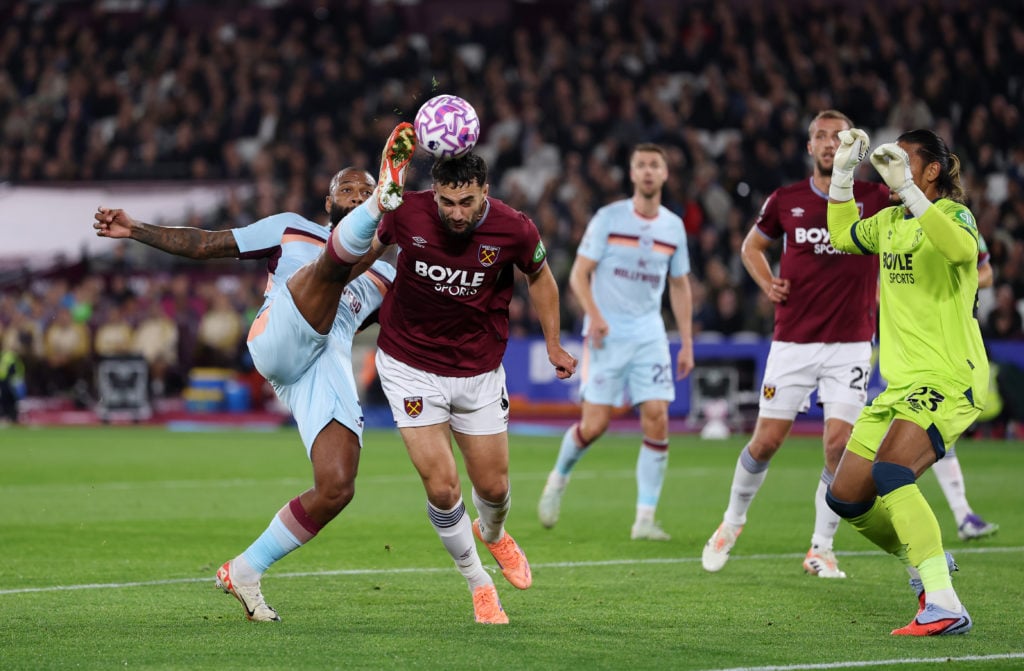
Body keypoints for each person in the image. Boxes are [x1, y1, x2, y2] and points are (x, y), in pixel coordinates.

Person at [92, 122, 417, 622]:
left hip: (325, 360)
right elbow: (205, 244)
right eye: (347, 191)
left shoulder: (389, 275)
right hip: (280, 332)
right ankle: (386, 200)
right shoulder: (292, 228)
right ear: (328, 204)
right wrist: (136, 229)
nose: (354, 195)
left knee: (337, 486)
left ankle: (245, 569)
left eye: (365, 192)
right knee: (331, 269)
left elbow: (413, 327)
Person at [358, 151, 578, 625]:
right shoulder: (404, 212)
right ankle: (479, 584)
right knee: (441, 487)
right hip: (408, 363)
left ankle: (494, 532)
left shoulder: (514, 228)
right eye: (447, 202)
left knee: (494, 488)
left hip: (478, 371)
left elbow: (540, 277)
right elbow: (361, 258)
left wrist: (554, 345)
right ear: (433, 193)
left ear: (485, 192)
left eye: (466, 202)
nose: (456, 212)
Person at [701, 110, 889, 577]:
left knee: (838, 446)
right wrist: (767, 284)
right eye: (821, 137)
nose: (830, 144)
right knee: (765, 443)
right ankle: (732, 521)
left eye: (839, 137)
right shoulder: (786, 200)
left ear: (854, 147)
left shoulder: (876, 198)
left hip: (849, 344)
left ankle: (821, 548)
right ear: (810, 147)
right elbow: (751, 248)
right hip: (793, 342)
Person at [826, 127, 986, 635]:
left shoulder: (954, 215)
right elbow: (842, 235)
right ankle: (923, 559)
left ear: (931, 170)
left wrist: (914, 195)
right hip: (900, 386)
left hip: (948, 375)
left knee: (893, 472)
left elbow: (963, 253)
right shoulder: (890, 221)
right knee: (846, 496)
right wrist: (842, 176)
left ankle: (943, 602)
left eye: (902, 159)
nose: (889, 166)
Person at [536, 142, 694, 541]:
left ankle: (644, 518)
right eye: (640, 164)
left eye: (654, 165)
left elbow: (679, 285)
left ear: (664, 174)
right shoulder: (608, 219)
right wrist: (597, 316)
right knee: (595, 425)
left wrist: (687, 342)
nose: (647, 171)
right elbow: (578, 275)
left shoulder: (673, 227)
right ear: (631, 172)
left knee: (657, 417)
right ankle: (558, 478)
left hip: (649, 334)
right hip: (606, 335)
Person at [930, 243, 999, 541]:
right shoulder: (899, 224)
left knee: (941, 428)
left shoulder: (961, 224)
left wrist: (961, 279)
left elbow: (987, 273)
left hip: (954, 340)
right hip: (918, 339)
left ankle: (963, 515)